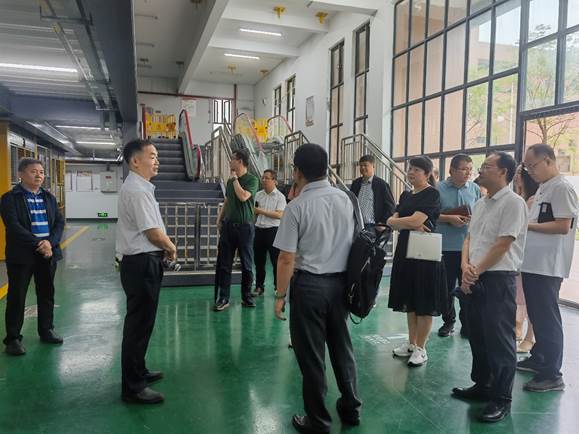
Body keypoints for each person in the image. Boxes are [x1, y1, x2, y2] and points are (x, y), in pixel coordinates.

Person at [273, 144, 361, 434]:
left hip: (310, 287)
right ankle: (351, 408)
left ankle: (318, 421)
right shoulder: (346, 199)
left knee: (311, 356)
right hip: (341, 285)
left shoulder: (296, 207)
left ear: (297, 171)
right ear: (326, 168)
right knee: (342, 348)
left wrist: (280, 295)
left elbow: (286, 258)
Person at [452, 152, 527, 423]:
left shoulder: (514, 203)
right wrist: (465, 267)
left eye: (486, 166)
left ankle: (501, 398)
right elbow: (469, 238)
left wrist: (475, 271)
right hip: (474, 276)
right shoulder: (481, 203)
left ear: (503, 172)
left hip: (498, 279)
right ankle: (483, 385)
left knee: (499, 340)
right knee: (477, 334)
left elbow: (503, 244)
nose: (479, 170)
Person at [116, 139, 177, 404]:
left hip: (142, 262)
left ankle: (138, 371)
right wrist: (171, 247)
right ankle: (133, 387)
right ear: (135, 161)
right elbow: (152, 232)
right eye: (152, 156)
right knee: (138, 326)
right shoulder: (137, 191)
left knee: (143, 324)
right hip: (141, 263)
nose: (157, 161)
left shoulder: (140, 187)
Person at [517, 144, 579, 392]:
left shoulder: (562, 188)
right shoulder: (544, 187)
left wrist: (526, 226)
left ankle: (552, 374)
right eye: (527, 167)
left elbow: (563, 226)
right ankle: (539, 358)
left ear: (548, 161)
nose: (530, 171)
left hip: (548, 266)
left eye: (532, 166)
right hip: (533, 263)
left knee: (546, 318)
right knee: (536, 314)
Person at [1, 158, 65, 356]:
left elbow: (59, 223)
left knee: (46, 293)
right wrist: (39, 244)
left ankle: (46, 330)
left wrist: (50, 243)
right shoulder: (10, 198)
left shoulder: (49, 197)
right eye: (33, 171)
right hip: (22, 256)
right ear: (20, 174)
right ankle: (13, 339)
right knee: (17, 296)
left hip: (47, 254)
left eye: (41, 172)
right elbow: (13, 226)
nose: (39, 175)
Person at [387, 156, 447, 367]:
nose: (411, 172)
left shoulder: (432, 194)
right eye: (410, 168)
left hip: (425, 254)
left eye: (417, 170)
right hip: (405, 251)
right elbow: (392, 221)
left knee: (424, 302)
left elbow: (415, 220)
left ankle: (421, 348)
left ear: (427, 174)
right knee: (410, 300)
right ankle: (411, 343)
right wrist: (398, 222)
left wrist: (401, 222)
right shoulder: (405, 194)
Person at [436, 154, 481, 338]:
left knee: (467, 286)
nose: (468, 173)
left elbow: (480, 213)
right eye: (463, 169)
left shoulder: (475, 189)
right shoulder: (438, 188)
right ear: (452, 170)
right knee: (446, 288)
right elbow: (430, 215)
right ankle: (448, 321)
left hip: (468, 248)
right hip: (445, 247)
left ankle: (467, 323)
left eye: (470, 169)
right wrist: (449, 218)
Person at [214, 149, 259, 311]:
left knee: (247, 264)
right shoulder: (230, 181)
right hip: (228, 227)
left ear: (240, 161)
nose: (230, 161)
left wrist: (234, 180)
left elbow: (243, 196)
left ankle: (246, 297)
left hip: (245, 228)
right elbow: (227, 200)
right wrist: (219, 219)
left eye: (232, 159)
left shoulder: (252, 180)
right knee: (225, 264)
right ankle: (223, 297)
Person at [513, 164, 539, 353]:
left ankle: (530, 336)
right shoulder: (520, 198)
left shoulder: (532, 200)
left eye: (518, 174)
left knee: (529, 297)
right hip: (518, 255)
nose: (515, 177)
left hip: (530, 255)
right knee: (519, 295)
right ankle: (517, 328)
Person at [253, 169, 287, 296]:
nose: (263, 180)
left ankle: (278, 287)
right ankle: (259, 286)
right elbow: (254, 213)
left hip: (273, 231)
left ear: (274, 181)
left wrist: (260, 211)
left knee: (275, 261)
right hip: (259, 229)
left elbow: (279, 215)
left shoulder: (280, 197)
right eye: (263, 178)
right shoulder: (258, 195)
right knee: (259, 261)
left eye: (267, 178)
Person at [350, 155, 395, 233]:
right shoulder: (356, 184)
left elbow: (391, 206)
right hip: (357, 226)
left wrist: (383, 222)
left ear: (373, 166)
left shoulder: (381, 184)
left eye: (365, 165)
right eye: (361, 165)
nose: (362, 168)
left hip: (373, 227)